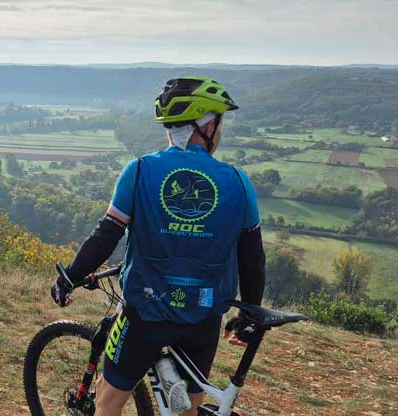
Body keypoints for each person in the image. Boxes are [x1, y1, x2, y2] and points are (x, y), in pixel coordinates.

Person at [51, 77, 265, 416]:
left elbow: (106, 236)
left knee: (108, 396)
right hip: (204, 316)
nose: (221, 130)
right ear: (206, 125)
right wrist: (249, 313)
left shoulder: (139, 172)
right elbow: (252, 258)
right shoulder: (239, 182)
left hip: (145, 313)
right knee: (187, 409)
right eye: (221, 122)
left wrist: (69, 277)